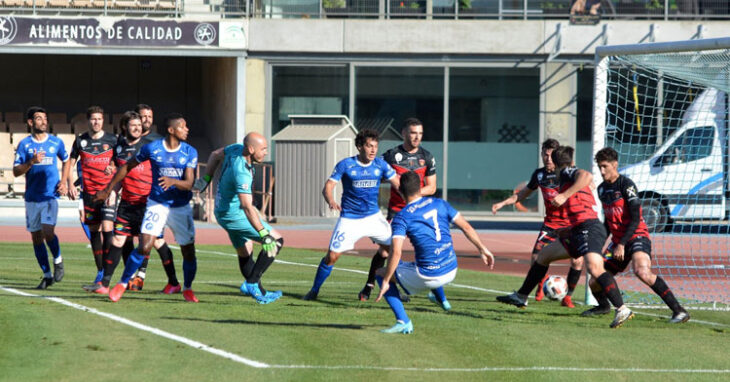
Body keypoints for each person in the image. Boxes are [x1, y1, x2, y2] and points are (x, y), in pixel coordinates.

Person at [497, 146, 635, 329]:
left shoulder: (568, 171)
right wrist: (566, 229)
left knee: (594, 267)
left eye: (550, 159)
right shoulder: (560, 176)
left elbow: (586, 176)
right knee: (544, 255)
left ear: (557, 163)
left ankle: (621, 308)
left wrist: (564, 195)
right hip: (576, 230)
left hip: (590, 228)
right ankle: (521, 296)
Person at [94, 113, 199, 303]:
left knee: (188, 250)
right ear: (171, 130)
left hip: (180, 206)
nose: (187, 129)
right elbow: (126, 167)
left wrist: (172, 181)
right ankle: (122, 283)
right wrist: (108, 190)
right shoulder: (152, 149)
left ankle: (188, 288)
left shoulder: (190, 151)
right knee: (145, 245)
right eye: (183, 126)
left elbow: (190, 183)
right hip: (156, 203)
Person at [375, 171, 495, 333]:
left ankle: (403, 321)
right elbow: (466, 227)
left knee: (381, 272)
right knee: (408, 264)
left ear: (400, 191)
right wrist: (483, 249)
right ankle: (442, 299)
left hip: (428, 275)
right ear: (421, 188)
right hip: (451, 268)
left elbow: (396, 252)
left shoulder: (402, 217)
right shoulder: (440, 203)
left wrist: (386, 281)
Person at [587, 147, 689, 323]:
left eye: (605, 166)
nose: (602, 171)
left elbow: (636, 218)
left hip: (636, 236)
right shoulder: (602, 190)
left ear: (615, 165)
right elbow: (608, 222)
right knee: (595, 279)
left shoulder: (626, 185)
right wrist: (598, 246)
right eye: (599, 167)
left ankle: (679, 311)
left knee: (642, 271)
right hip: (618, 241)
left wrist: (621, 244)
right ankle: (603, 307)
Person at [302, 129, 399, 301]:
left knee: (393, 251)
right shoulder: (346, 165)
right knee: (332, 256)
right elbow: (328, 186)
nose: (373, 150)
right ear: (359, 146)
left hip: (373, 218)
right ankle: (314, 290)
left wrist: (413, 201)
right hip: (350, 219)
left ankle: (393, 292)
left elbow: (398, 184)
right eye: (369, 146)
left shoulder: (380, 165)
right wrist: (331, 200)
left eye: (375, 147)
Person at [358, 117, 445, 307]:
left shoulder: (427, 157)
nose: (417, 137)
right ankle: (369, 285)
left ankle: (437, 294)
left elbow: (431, 188)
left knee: (427, 249)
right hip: (396, 212)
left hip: (419, 213)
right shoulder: (391, 155)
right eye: (413, 133)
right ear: (404, 133)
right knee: (384, 252)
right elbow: (374, 175)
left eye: (420, 133)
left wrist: (411, 194)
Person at [492, 139, 584, 308]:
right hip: (550, 225)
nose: (547, 158)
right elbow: (522, 194)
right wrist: (502, 203)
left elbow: (584, 181)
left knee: (577, 261)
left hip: (570, 225)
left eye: (551, 155)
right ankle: (538, 288)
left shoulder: (566, 173)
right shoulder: (539, 175)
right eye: (544, 154)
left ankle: (568, 297)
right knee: (536, 258)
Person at [195, 133, 284, 304]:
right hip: (233, 214)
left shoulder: (235, 149)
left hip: (224, 212)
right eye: (263, 149)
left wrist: (207, 177)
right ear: (251, 149)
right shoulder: (241, 172)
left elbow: (214, 154)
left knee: (245, 249)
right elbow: (247, 206)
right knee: (276, 241)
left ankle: (260, 292)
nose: (266, 152)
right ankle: (252, 283)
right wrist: (263, 233)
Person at [13, 107, 70, 289]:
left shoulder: (56, 142)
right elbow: (15, 172)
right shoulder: (24, 145)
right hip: (31, 198)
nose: (44, 121)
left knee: (48, 231)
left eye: (45, 118)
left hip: (50, 196)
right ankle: (47, 275)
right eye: (39, 118)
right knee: (36, 238)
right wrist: (31, 162)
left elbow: (67, 160)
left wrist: (64, 181)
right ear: (31, 122)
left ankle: (58, 260)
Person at [123, 103, 177, 291]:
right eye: (143, 116)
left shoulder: (157, 141)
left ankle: (170, 281)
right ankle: (135, 276)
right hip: (131, 200)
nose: (146, 120)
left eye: (149, 117)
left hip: (153, 200)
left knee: (155, 240)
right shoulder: (126, 141)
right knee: (129, 239)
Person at [61, 106, 117, 285]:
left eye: (99, 119)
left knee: (108, 229)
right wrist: (70, 184)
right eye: (93, 119)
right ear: (88, 121)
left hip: (107, 193)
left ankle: (108, 271)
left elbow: (121, 161)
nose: (96, 122)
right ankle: (101, 271)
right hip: (89, 194)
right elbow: (70, 162)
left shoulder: (113, 140)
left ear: (103, 121)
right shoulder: (80, 141)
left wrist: (113, 167)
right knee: (94, 232)